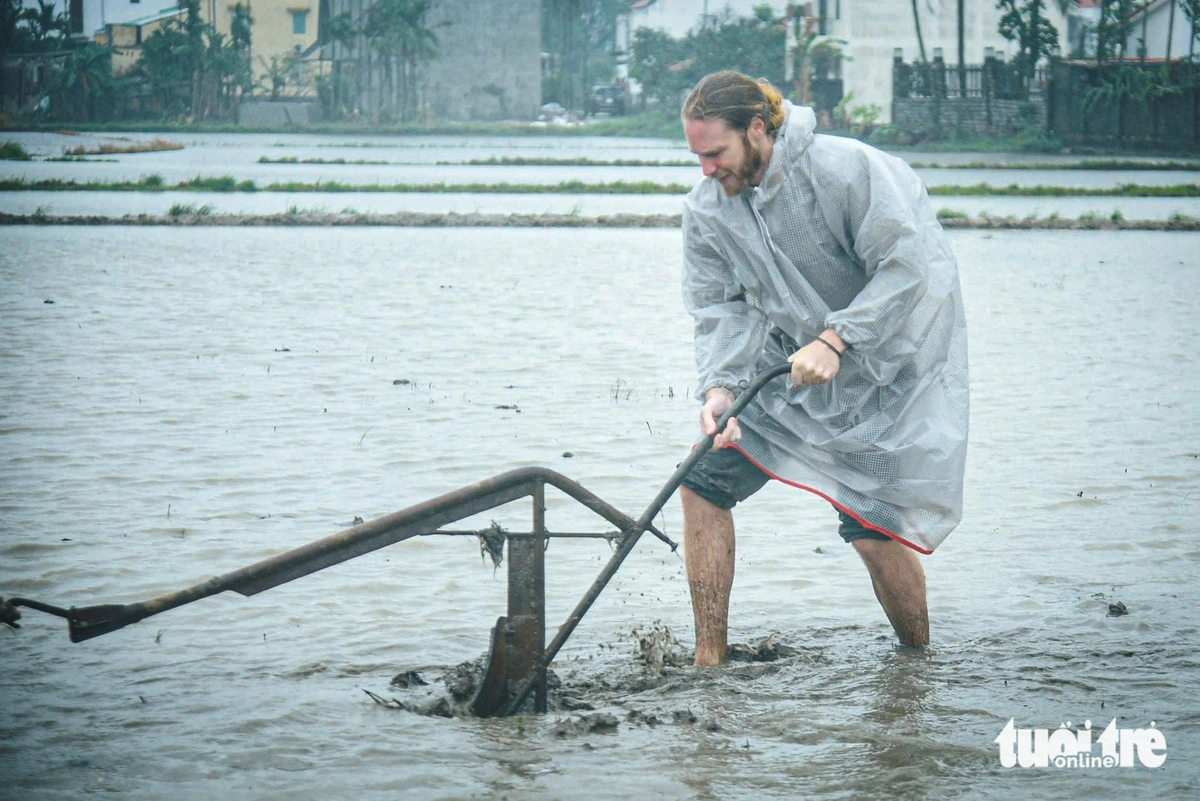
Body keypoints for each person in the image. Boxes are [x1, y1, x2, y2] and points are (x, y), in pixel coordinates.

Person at [678, 71, 969, 664]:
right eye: (697, 157)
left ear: (757, 129)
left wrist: (838, 340)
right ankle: (710, 658)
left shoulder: (844, 169)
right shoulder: (709, 210)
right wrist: (719, 390)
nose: (706, 169)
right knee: (702, 483)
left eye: (716, 153)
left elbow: (908, 264)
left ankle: (918, 661)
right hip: (788, 374)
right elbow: (720, 310)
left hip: (882, 378)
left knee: (872, 530)